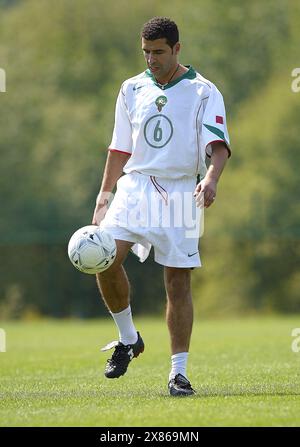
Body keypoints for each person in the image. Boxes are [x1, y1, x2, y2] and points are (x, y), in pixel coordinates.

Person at [92, 16, 230, 397]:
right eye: (146, 52)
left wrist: (211, 179)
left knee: (177, 282)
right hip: (133, 188)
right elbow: (119, 147)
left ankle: (178, 373)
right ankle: (127, 339)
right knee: (103, 257)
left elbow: (217, 145)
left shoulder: (204, 92)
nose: (151, 59)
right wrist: (104, 196)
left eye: (158, 52)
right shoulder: (131, 88)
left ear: (177, 49)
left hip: (181, 191)